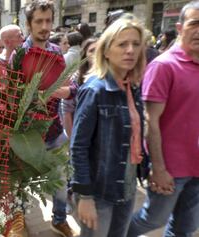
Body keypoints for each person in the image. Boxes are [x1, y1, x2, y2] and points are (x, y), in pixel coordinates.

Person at [127, 1, 199, 236]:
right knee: (151, 220)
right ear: (179, 27)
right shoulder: (163, 65)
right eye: (194, 24)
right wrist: (158, 167)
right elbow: (150, 120)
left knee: (185, 228)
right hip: (170, 168)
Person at [70, 16, 145, 236]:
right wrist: (84, 196)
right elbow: (78, 147)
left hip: (126, 187)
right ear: (106, 50)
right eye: (122, 44)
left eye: (135, 44)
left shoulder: (132, 87)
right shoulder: (95, 90)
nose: (130, 50)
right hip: (99, 191)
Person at [23, 1, 73, 236]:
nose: (45, 26)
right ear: (29, 24)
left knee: (61, 183)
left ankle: (59, 219)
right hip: (26, 137)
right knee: (20, 186)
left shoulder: (56, 52)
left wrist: (66, 91)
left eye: (48, 21)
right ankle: (17, 222)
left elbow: (68, 86)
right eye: (39, 21)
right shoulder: (19, 55)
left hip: (54, 132)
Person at [62, 37, 98, 138]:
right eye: (91, 51)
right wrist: (71, 139)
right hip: (81, 134)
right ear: (85, 54)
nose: (96, 54)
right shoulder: (77, 77)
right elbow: (66, 110)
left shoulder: (110, 76)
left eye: (99, 50)